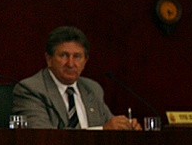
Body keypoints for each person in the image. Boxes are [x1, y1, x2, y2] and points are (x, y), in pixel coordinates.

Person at [11, 26, 142, 130]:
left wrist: (126, 127)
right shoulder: (31, 89)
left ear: (85, 61)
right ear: (49, 59)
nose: (71, 63)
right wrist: (101, 130)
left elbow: (109, 124)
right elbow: (41, 136)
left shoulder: (92, 88)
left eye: (77, 56)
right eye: (63, 55)